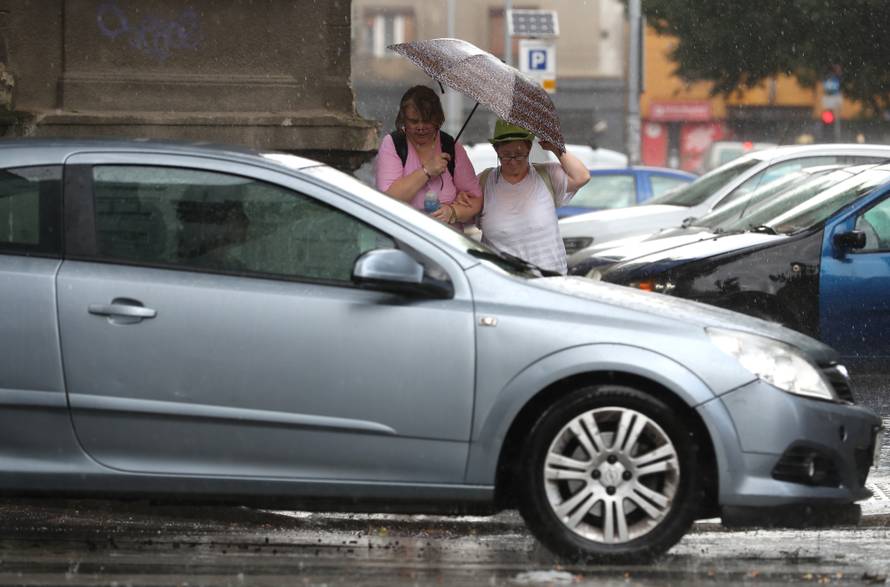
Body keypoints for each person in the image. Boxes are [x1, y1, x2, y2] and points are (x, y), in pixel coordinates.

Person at [474, 119, 590, 275]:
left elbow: (582, 176)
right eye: (506, 156)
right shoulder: (484, 181)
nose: (513, 161)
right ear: (496, 150)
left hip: (549, 280)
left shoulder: (546, 174)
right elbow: (463, 214)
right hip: (502, 281)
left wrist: (556, 148)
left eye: (520, 154)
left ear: (529, 148)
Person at [375, 85, 482, 229]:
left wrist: (453, 212)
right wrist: (426, 171)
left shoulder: (451, 146)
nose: (420, 127)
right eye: (414, 121)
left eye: (426, 121)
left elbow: (475, 199)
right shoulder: (394, 144)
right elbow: (387, 200)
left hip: (446, 241)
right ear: (403, 119)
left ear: (438, 119)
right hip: (406, 239)